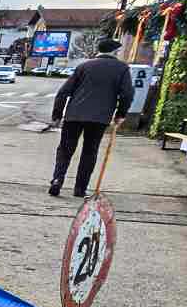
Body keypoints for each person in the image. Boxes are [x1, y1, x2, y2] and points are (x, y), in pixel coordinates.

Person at [49, 37, 133, 197]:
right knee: (89, 151)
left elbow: (63, 92)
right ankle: (80, 189)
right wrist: (121, 114)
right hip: (99, 118)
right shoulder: (122, 68)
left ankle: (57, 180)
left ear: (99, 50)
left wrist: (57, 115)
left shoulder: (83, 66)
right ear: (115, 52)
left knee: (65, 150)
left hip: (74, 115)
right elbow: (127, 94)